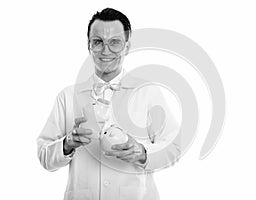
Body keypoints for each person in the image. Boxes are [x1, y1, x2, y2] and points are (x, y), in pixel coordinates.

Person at [37, 8, 181, 200]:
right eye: (98, 42)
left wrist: (143, 153)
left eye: (115, 42)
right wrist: (67, 144)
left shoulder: (148, 92)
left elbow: (174, 146)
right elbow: (45, 156)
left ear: (127, 47)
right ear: (89, 46)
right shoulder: (67, 96)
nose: (106, 51)